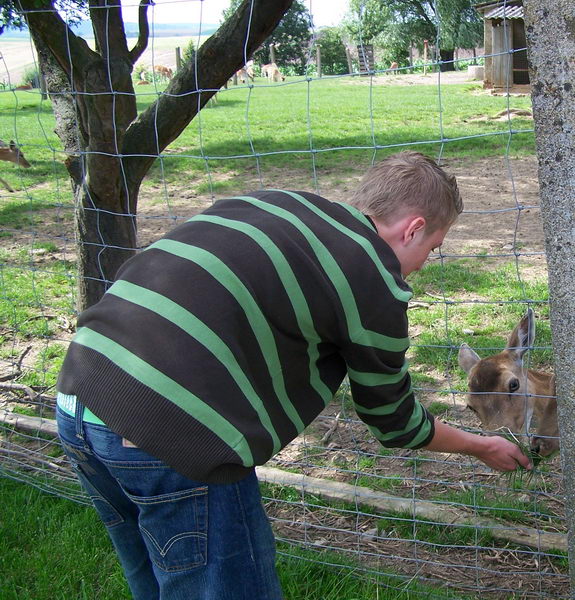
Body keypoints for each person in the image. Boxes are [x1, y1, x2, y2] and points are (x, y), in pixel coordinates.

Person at [54, 151, 532, 600]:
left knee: (156, 579)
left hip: (81, 390)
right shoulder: (372, 277)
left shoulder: (273, 201)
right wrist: (481, 445)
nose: (425, 263)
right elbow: (394, 420)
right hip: (167, 434)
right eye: (434, 247)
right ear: (414, 229)